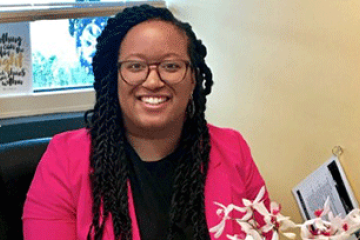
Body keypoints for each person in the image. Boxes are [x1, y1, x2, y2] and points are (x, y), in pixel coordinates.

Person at [22, 4, 270, 240]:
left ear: (193, 78)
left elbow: (267, 232)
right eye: (135, 66)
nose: (153, 81)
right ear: (114, 77)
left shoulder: (232, 149)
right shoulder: (64, 160)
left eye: (171, 66)